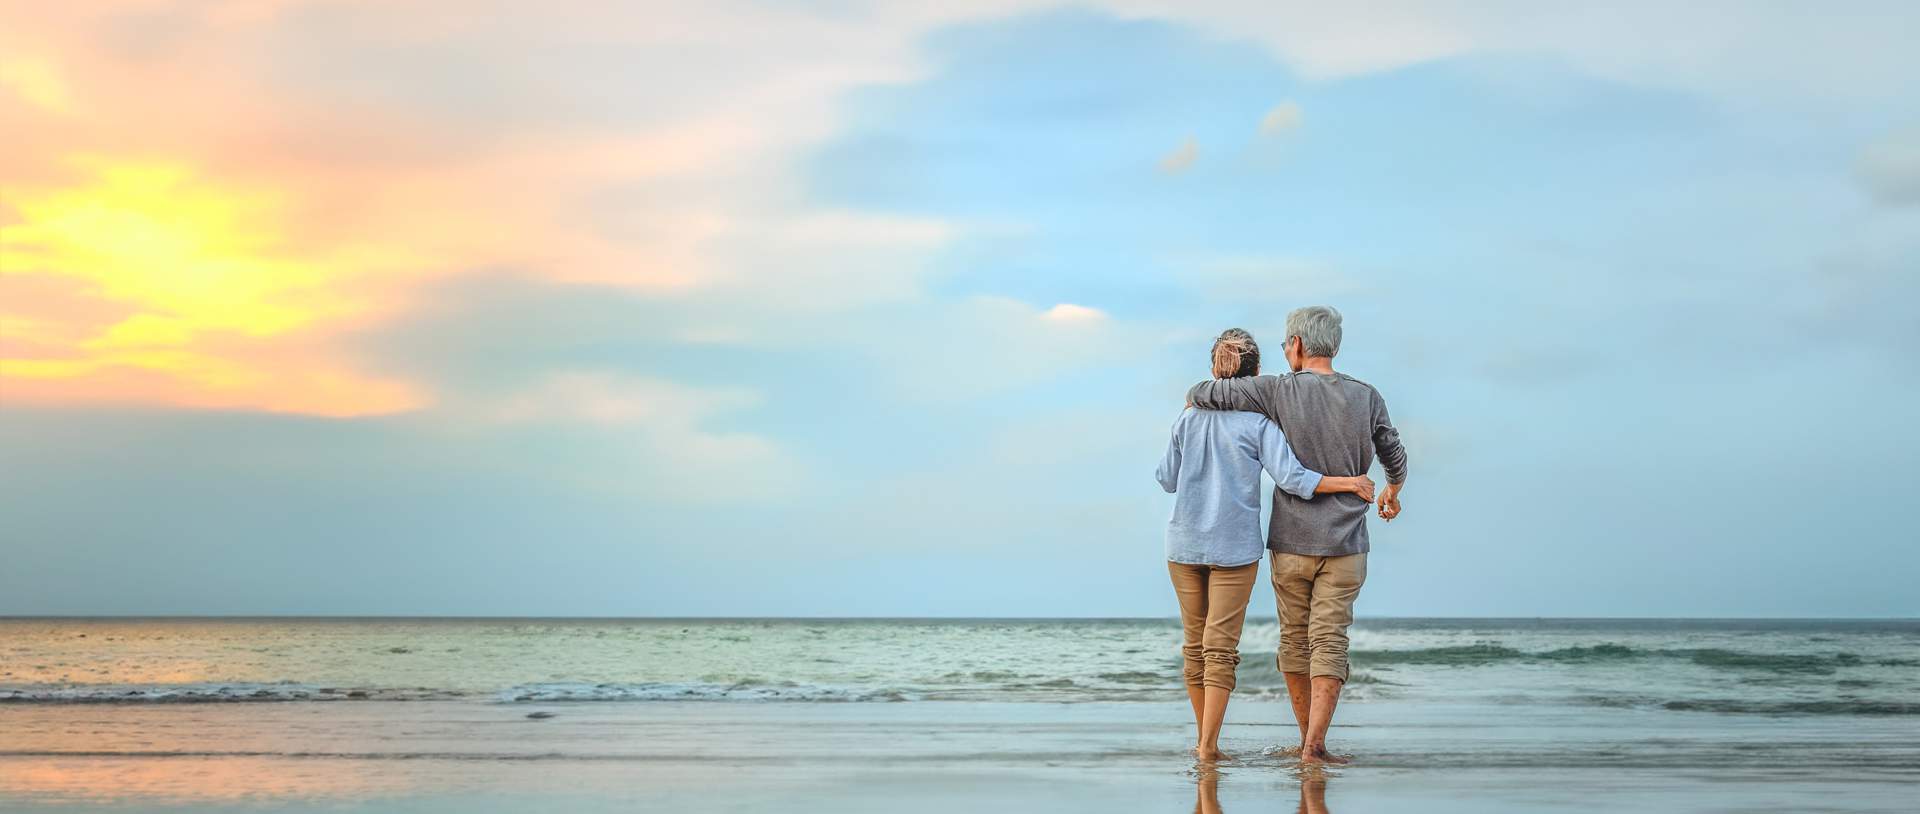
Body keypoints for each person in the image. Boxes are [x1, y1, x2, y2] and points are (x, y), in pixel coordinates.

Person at [1185, 306, 1407, 765]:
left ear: (1299, 346)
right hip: (1347, 543)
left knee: (1294, 640)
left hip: (1290, 541)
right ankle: (1314, 746)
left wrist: (1199, 395)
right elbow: (1394, 452)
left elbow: (1205, 392)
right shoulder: (1366, 395)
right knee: (1331, 640)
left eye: (1287, 343)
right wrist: (1392, 491)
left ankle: (1305, 736)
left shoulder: (1276, 391)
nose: (1287, 350)